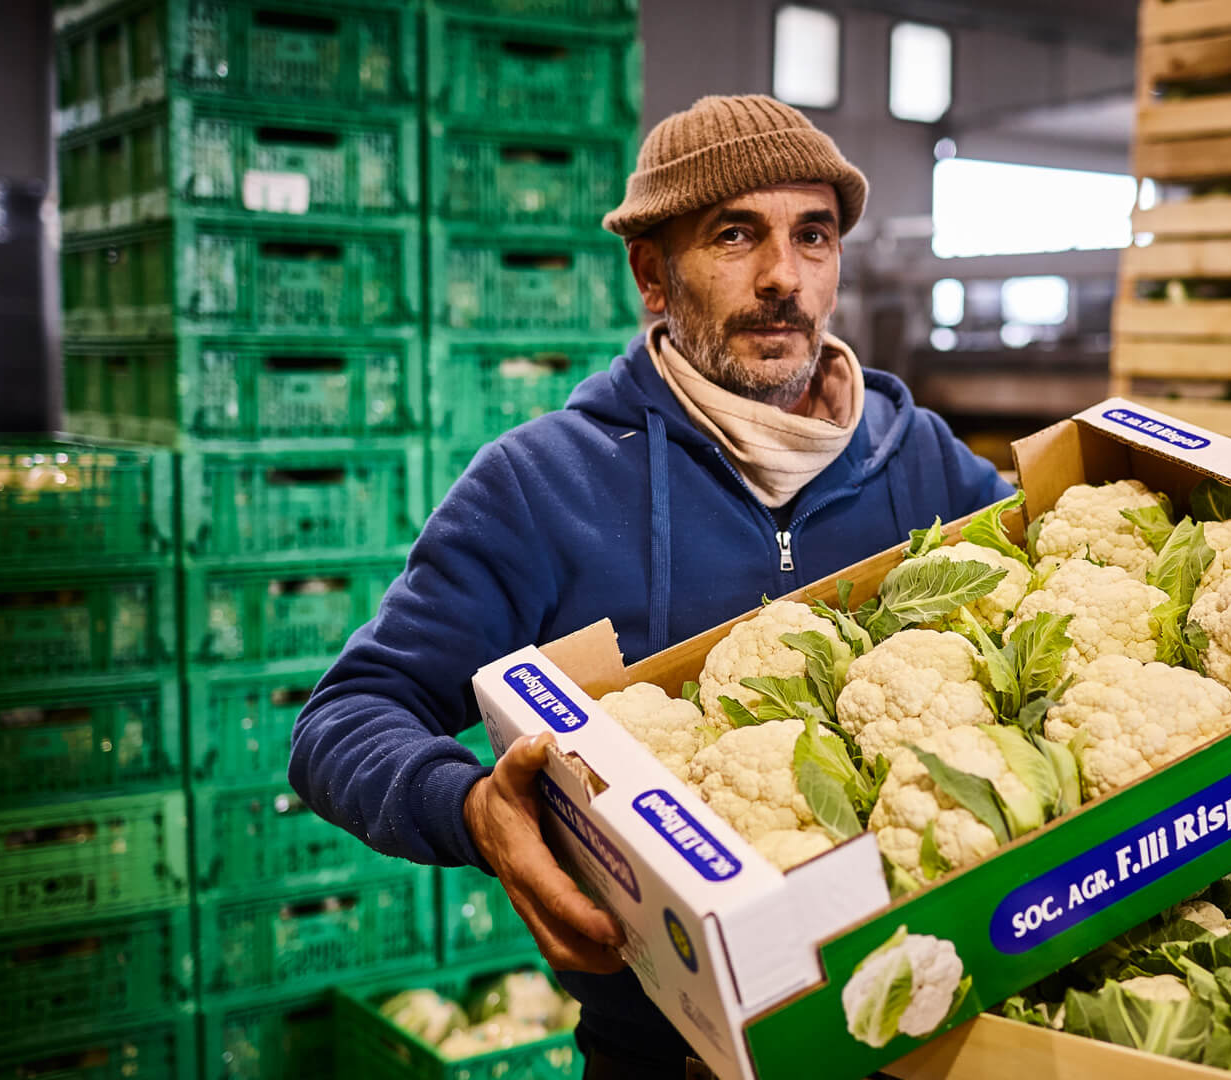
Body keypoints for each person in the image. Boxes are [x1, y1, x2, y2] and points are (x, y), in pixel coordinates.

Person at [289, 94, 1012, 1078]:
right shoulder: (540, 487)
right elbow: (344, 718)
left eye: (813, 235)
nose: (783, 277)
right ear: (651, 274)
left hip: (929, 1032)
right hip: (665, 1052)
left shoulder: (922, 460)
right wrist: (472, 811)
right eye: (735, 236)